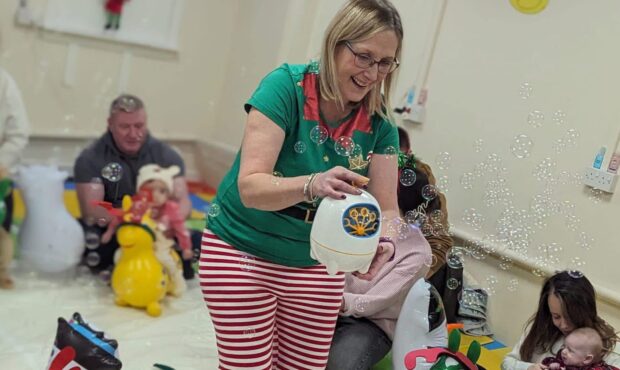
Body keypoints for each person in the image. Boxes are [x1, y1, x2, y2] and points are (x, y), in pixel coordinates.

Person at [198, 0, 413, 368]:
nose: (372, 72)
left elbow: (388, 207)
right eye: (363, 56)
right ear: (335, 44)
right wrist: (312, 184)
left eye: (384, 62)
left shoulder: (380, 125)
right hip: (242, 248)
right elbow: (251, 187)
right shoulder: (285, 87)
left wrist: (386, 241)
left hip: (317, 263)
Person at [74, 94, 192, 274]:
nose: (133, 134)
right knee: (78, 244)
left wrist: (166, 224)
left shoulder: (167, 156)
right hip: (114, 231)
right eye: (124, 127)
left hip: (159, 229)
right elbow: (91, 209)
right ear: (110, 124)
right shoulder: (90, 158)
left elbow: (183, 201)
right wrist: (128, 223)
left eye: (139, 126)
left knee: (196, 243)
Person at [326, 223, 431, 370]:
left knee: (338, 364)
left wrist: (335, 299)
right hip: (331, 304)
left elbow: (378, 301)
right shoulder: (360, 220)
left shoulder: (418, 251)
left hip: (372, 323)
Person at [501, 271, 620, 370]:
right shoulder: (541, 327)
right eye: (556, 316)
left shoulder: (608, 347)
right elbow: (507, 362)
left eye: (570, 317)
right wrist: (529, 368)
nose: (564, 325)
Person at [0, 66, 30, 289]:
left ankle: (2, 270)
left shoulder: (4, 82)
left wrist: (2, 163)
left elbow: (18, 134)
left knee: (2, 230)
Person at [541, 327, 619, 370]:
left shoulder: (598, 369)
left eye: (570, 350)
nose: (564, 351)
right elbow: (550, 361)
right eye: (564, 346)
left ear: (587, 359)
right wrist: (552, 365)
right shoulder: (564, 359)